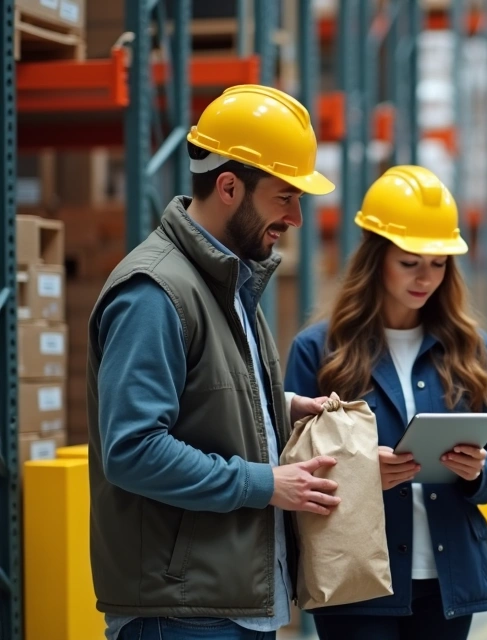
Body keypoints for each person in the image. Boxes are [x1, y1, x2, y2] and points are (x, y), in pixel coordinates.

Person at [87, 84, 341, 640]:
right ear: (229, 187)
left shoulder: (227, 283)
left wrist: (280, 408)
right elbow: (133, 449)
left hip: (227, 600)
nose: (296, 217)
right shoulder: (155, 292)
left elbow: (200, 398)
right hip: (180, 613)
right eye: (284, 197)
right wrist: (264, 483)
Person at [283, 165, 487, 640]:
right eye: (410, 262)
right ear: (376, 258)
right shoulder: (320, 350)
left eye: (438, 263)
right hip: (356, 578)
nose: (426, 278)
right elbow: (292, 463)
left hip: (448, 577)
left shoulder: (471, 350)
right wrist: (359, 473)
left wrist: (477, 472)